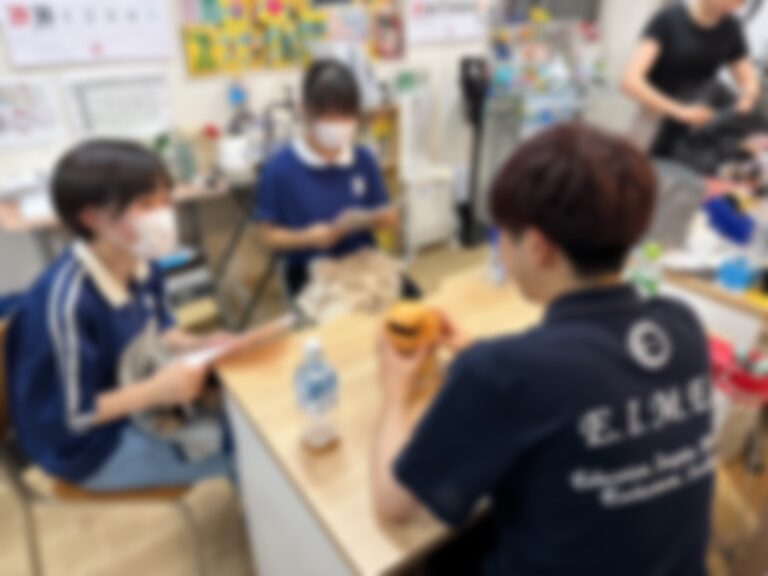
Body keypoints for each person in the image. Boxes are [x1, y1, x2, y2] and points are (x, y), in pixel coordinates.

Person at [372, 124, 714, 575]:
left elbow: (393, 504)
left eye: (501, 235)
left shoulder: (500, 371)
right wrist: (479, 352)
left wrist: (395, 391)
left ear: (537, 247)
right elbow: (590, 379)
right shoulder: (682, 324)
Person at [7, 141, 237, 491]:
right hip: (88, 447)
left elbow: (160, 329)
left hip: (134, 402)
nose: (163, 215)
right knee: (244, 447)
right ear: (92, 218)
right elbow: (72, 416)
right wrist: (155, 391)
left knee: (244, 418)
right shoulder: (68, 303)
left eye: (166, 201)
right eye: (145, 205)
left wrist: (200, 344)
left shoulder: (140, 261)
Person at [254, 58, 401, 299]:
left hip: (364, 263)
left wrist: (377, 218)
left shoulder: (363, 159)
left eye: (347, 116)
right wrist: (306, 238)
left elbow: (387, 213)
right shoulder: (279, 169)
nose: (340, 126)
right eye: (331, 117)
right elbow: (267, 236)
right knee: (347, 322)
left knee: (415, 311)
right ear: (305, 110)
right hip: (310, 272)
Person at [622, 0, 760, 157]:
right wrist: (680, 111)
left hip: (694, 129)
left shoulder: (731, 29)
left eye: (741, 2)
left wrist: (748, 95)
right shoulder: (669, 19)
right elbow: (630, 81)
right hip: (654, 122)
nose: (736, 6)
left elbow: (748, 79)